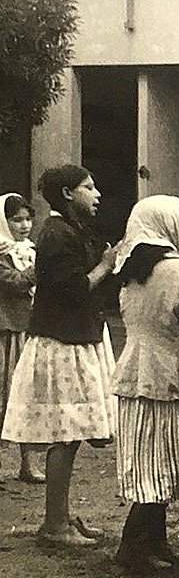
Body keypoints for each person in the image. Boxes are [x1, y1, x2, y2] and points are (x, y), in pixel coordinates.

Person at [1, 165, 117, 547]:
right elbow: (73, 289)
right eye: (89, 187)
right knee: (64, 435)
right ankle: (55, 524)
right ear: (68, 193)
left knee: (72, 434)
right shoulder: (55, 235)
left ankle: (62, 515)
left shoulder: (70, 231)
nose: (97, 193)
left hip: (75, 339)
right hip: (61, 344)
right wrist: (104, 266)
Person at [111, 195, 179, 574]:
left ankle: (154, 543)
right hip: (168, 372)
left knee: (150, 461)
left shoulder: (131, 271)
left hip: (137, 370)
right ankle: (132, 549)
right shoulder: (177, 272)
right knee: (166, 461)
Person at [0, 193, 44, 482]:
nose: (24, 225)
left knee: (27, 394)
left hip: (27, 328)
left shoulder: (29, 250)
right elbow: (14, 284)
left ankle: (28, 463)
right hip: (4, 331)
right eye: (17, 220)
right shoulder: (3, 254)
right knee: (3, 392)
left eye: (28, 219)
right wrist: (38, 271)